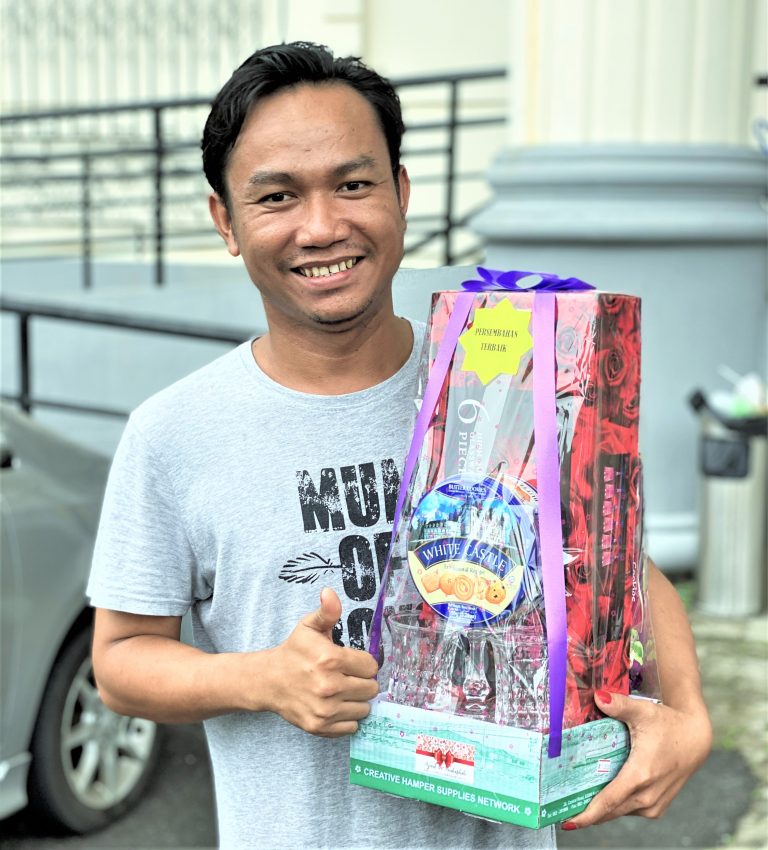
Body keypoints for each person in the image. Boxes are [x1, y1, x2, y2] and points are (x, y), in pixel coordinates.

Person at [88, 42, 712, 849]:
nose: (322, 227)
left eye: (354, 184)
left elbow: (619, 567)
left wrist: (686, 712)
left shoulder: (505, 381)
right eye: (277, 196)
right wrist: (263, 679)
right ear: (226, 222)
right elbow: (122, 660)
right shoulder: (174, 432)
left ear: (402, 193)